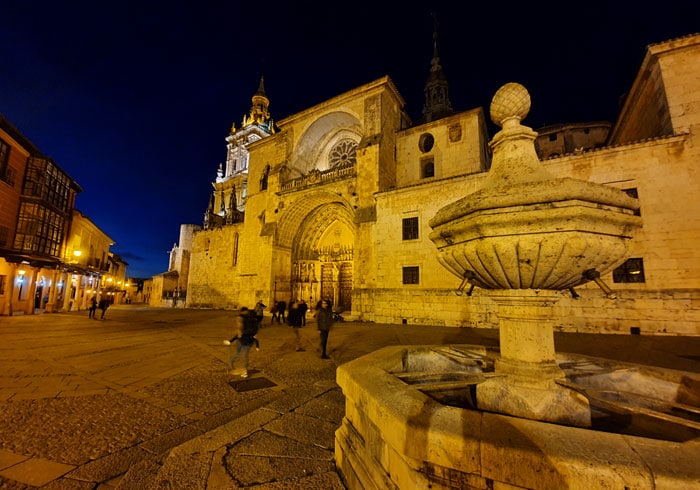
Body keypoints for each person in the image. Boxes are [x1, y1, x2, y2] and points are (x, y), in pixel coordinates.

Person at [223, 307, 259, 378]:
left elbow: (239, 332)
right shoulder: (254, 320)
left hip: (245, 340)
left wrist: (231, 340)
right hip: (248, 340)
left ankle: (236, 366)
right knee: (243, 354)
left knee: (241, 354)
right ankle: (235, 365)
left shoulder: (242, 319)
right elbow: (255, 332)